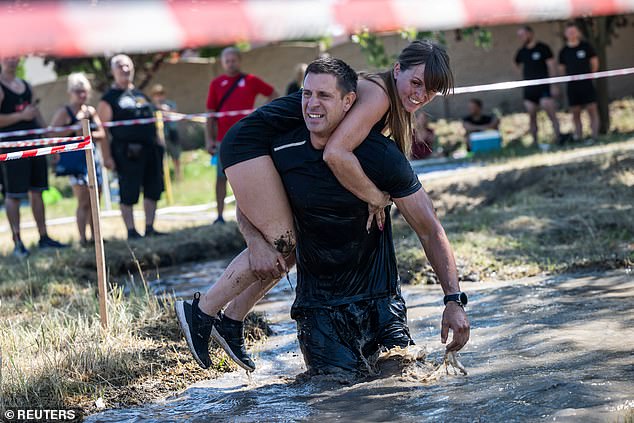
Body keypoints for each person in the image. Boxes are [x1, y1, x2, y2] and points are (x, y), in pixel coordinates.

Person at [175, 40, 459, 372]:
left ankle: (232, 319)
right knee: (285, 241)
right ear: (397, 70)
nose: (421, 94)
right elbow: (336, 153)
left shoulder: (387, 103)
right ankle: (202, 310)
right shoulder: (378, 96)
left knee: (291, 244)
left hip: (262, 143)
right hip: (247, 142)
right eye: (416, 83)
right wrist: (375, 198)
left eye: (431, 90)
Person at [0, 56, 67, 257]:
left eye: (15, 57)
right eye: (8, 57)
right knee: (14, 195)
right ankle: (18, 242)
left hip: (34, 143)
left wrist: (50, 140)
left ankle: (44, 237)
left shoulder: (27, 86)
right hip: (11, 148)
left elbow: (36, 114)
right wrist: (20, 117)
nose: (12, 61)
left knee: (37, 191)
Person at [206, 47, 278, 224]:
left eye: (233, 60)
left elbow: (272, 94)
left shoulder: (250, 80)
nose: (231, 64)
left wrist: (258, 113)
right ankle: (220, 215)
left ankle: (252, 216)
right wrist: (209, 139)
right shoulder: (216, 84)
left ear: (239, 60)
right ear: (223, 63)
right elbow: (210, 114)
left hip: (246, 138)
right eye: (227, 61)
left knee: (250, 178)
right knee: (221, 178)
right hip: (223, 139)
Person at [97, 54, 165, 240]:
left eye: (127, 66)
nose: (125, 70)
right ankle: (131, 231)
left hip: (150, 149)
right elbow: (102, 131)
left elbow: (152, 121)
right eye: (120, 66)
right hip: (127, 152)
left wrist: (159, 143)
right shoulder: (109, 99)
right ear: (113, 71)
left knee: (153, 188)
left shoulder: (140, 95)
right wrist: (107, 156)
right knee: (128, 191)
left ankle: (150, 227)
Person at [50, 73, 110, 246]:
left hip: (92, 158)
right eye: (78, 91)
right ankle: (82, 239)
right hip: (75, 161)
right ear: (70, 92)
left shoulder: (90, 111)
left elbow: (101, 134)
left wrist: (87, 133)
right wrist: (72, 129)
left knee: (95, 200)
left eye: (84, 91)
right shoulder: (64, 111)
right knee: (83, 200)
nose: (81, 95)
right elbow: (52, 134)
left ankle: (96, 237)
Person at [514, 26, 563, 146]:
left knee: (550, 111)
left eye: (523, 34)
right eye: (519, 36)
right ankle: (535, 142)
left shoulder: (543, 48)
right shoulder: (522, 52)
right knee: (531, 114)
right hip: (530, 89)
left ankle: (559, 138)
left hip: (544, 87)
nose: (521, 38)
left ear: (530, 34)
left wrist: (554, 85)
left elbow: (552, 66)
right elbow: (516, 64)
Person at [558, 22, 599, 142]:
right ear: (565, 34)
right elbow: (562, 69)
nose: (572, 34)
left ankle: (595, 137)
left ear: (578, 33)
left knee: (592, 109)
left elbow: (595, 63)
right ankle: (579, 137)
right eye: (569, 32)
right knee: (575, 112)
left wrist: (591, 75)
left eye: (574, 31)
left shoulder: (586, 46)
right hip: (572, 86)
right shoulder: (563, 51)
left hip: (587, 84)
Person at [151, 84, 182, 180]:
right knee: (161, 157)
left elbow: (175, 114)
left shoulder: (170, 104)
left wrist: (166, 111)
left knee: (176, 156)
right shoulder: (152, 107)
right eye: (156, 94)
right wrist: (158, 108)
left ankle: (178, 176)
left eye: (161, 94)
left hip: (172, 132)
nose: (159, 97)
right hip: (159, 135)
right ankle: (163, 177)